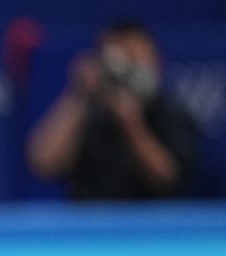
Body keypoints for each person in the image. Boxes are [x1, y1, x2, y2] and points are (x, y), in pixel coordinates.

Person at [25, 20, 203, 200]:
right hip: (92, 222)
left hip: (155, 224)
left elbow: (169, 179)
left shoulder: (171, 112)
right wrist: (78, 96)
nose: (124, 72)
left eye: (133, 61)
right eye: (117, 62)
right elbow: (43, 165)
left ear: (156, 63)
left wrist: (131, 125)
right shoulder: (89, 110)